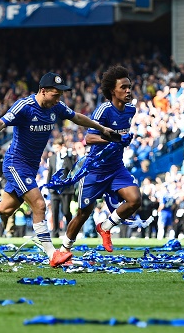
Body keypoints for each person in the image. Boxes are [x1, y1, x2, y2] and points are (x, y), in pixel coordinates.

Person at [0, 72, 121, 267]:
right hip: (15, 164)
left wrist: (101, 129)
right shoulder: (25, 106)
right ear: (43, 91)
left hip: (30, 167)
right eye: (55, 94)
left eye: (60, 95)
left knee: (6, 208)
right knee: (39, 205)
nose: (59, 99)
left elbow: (77, 117)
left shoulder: (57, 107)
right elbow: (1, 122)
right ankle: (52, 254)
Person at [60, 66, 143, 254]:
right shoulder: (103, 110)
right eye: (123, 87)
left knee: (135, 199)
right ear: (112, 91)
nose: (128, 91)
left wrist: (124, 140)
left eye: (129, 87)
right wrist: (115, 138)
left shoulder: (130, 110)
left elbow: (122, 137)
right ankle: (64, 250)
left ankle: (105, 227)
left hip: (115, 168)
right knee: (83, 213)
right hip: (95, 169)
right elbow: (89, 139)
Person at [46, 138, 75, 238]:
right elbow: (50, 172)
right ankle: (55, 233)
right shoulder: (52, 158)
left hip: (66, 189)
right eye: (55, 148)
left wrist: (66, 156)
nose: (56, 150)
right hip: (54, 189)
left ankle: (70, 230)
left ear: (62, 146)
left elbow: (71, 169)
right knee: (54, 211)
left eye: (57, 147)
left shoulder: (69, 157)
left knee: (66, 211)